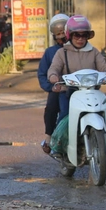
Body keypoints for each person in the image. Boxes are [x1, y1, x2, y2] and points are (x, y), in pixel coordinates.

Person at [47, 14, 106, 154]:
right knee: (65, 114)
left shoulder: (94, 52)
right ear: (70, 36)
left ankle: (103, 137)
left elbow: (104, 67)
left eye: (84, 35)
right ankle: (59, 145)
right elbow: (53, 68)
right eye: (76, 35)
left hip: (91, 91)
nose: (80, 39)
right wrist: (54, 76)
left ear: (88, 36)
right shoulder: (62, 53)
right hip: (69, 91)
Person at [37, 14, 70, 154]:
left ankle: (101, 138)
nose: (62, 37)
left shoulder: (83, 49)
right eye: (58, 34)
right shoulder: (50, 52)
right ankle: (49, 138)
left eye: (64, 33)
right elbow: (43, 74)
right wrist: (52, 87)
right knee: (51, 106)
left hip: (81, 87)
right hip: (59, 89)